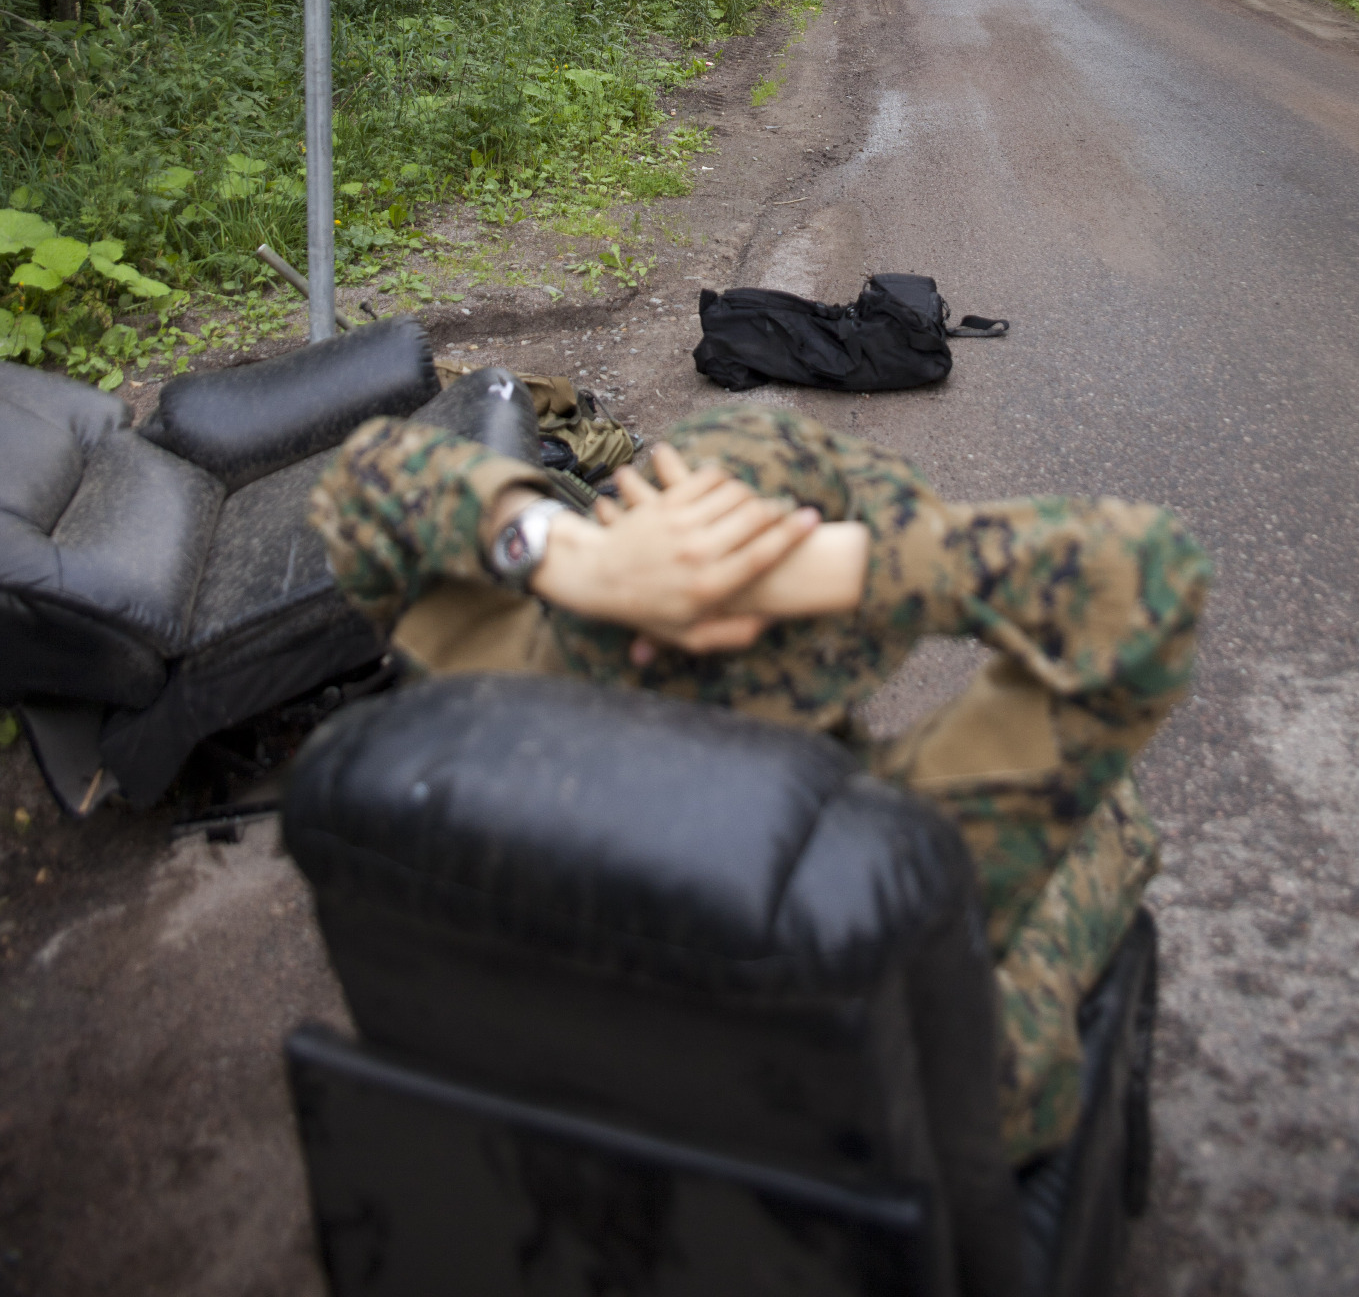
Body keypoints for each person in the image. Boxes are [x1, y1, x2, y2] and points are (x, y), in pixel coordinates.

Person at [309, 400, 1211, 1164]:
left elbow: (362, 477)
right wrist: (849, 567)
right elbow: (1154, 579)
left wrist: (566, 551)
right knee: (1105, 822)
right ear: (833, 658)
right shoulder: (902, 853)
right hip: (853, 1139)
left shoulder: (484, 691)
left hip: (539, 1110)